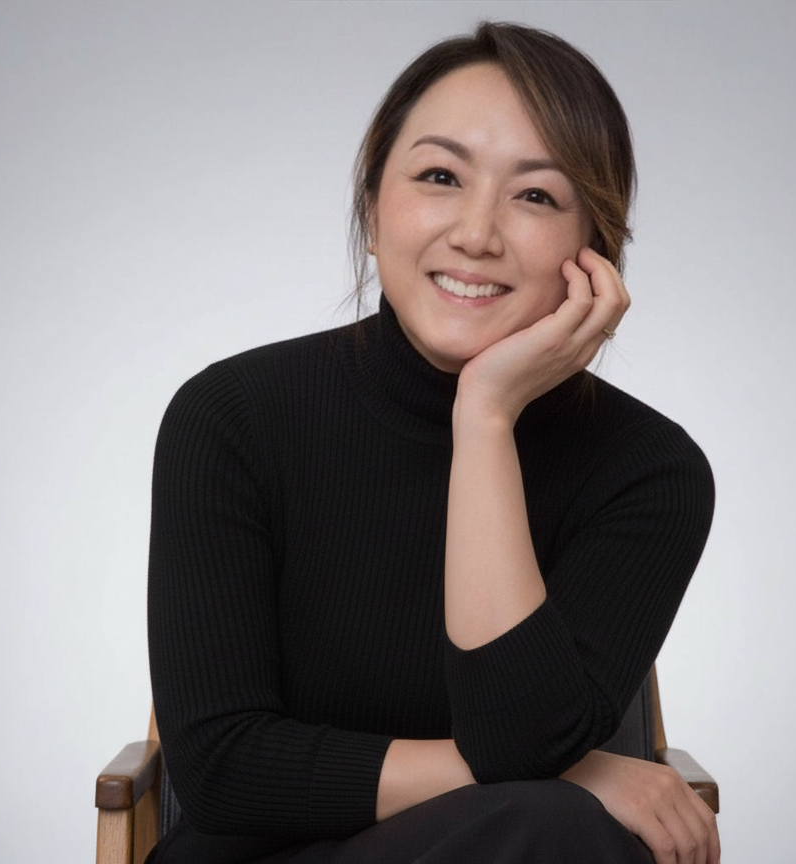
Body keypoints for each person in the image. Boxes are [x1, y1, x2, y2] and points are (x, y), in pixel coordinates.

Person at [145, 21, 719, 864]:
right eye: (440, 177)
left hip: (523, 849)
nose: (478, 233)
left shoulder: (649, 473)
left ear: (592, 248)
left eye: (537, 196)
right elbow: (224, 769)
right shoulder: (231, 416)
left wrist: (484, 418)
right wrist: (578, 775)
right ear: (373, 209)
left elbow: (519, 737)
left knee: (550, 830)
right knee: (558, 821)